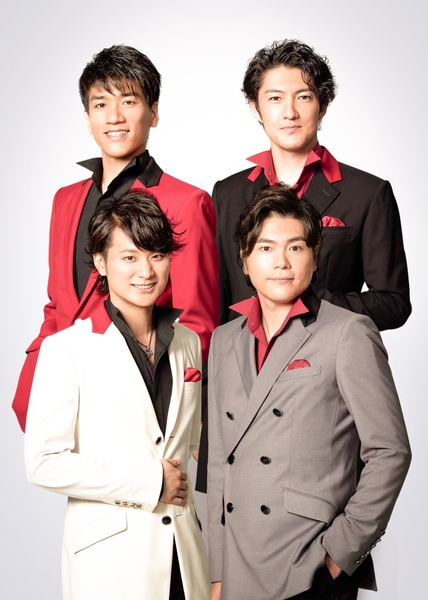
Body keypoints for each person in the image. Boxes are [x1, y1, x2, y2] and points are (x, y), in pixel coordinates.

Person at [207, 186, 411, 600]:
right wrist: (216, 572)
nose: (281, 262)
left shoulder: (348, 332)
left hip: (308, 561)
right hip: (238, 563)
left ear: (315, 257)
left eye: (295, 247)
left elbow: (390, 451)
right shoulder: (224, 340)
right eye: (265, 247)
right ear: (244, 260)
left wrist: (339, 553)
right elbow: (218, 463)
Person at [13, 44, 218, 431]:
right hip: (56, 394)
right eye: (101, 104)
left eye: (129, 101)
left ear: (153, 113)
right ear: (87, 118)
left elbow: (197, 324)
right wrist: (36, 378)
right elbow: (59, 305)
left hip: (137, 404)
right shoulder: (65, 200)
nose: (114, 117)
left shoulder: (186, 202)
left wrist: (170, 416)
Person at [24, 190, 210, 600]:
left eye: (157, 255)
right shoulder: (66, 349)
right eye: (129, 257)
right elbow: (42, 463)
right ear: (100, 263)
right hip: (110, 565)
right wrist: (149, 481)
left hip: (184, 558)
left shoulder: (188, 342)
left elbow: (186, 447)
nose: (146, 270)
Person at [213, 39, 410, 329]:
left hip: (325, 353)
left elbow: (393, 304)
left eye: (303, 97)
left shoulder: (368, 194)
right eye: (275, 98)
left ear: (323, 105)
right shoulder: (227, 193)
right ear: (255, 107)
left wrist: (308, 303)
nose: (289, 113)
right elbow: (218, 298)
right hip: (243, 354)